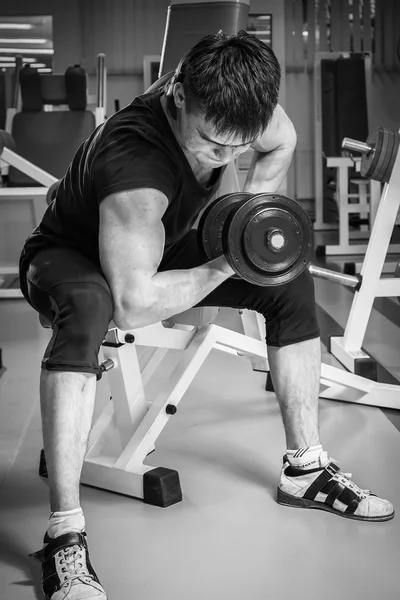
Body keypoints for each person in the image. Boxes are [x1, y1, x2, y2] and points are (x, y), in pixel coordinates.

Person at [19, 31, 394, 600]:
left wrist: (247, 212)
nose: (225, 157)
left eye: (237, 147)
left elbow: (283, 140)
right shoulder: (135, 165)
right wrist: (229, 259)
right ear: (176, 95)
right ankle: (64, 532)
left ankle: (305, 468)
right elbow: (135, 304)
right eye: (213, 144)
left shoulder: (244, 116)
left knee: (285, 280)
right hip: (67, 255)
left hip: (159, 245)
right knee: (92, 306)